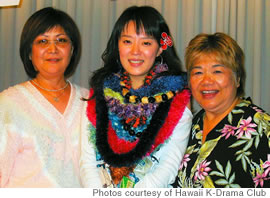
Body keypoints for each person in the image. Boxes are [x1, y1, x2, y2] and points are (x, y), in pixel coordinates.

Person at [80, 6, 192, 188]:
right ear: (117, 45)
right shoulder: (99, 93)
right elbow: (86, 162)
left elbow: (168, 167)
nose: (135, 51)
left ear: (160, 48)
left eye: (146, 43)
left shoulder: (177, 98)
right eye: (127, 41)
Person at [0, 7, 87, 187]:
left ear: (72, 50)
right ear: (30, 52)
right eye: (42, 41)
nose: (52, 49)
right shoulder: (8, 103)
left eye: (61, 40)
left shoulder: (89, 101)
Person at [173, 32, 270, 188]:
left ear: (237, 78)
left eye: (217, 71)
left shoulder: (261, 128)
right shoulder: (189, 126)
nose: (206, 81)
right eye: (198, 72)